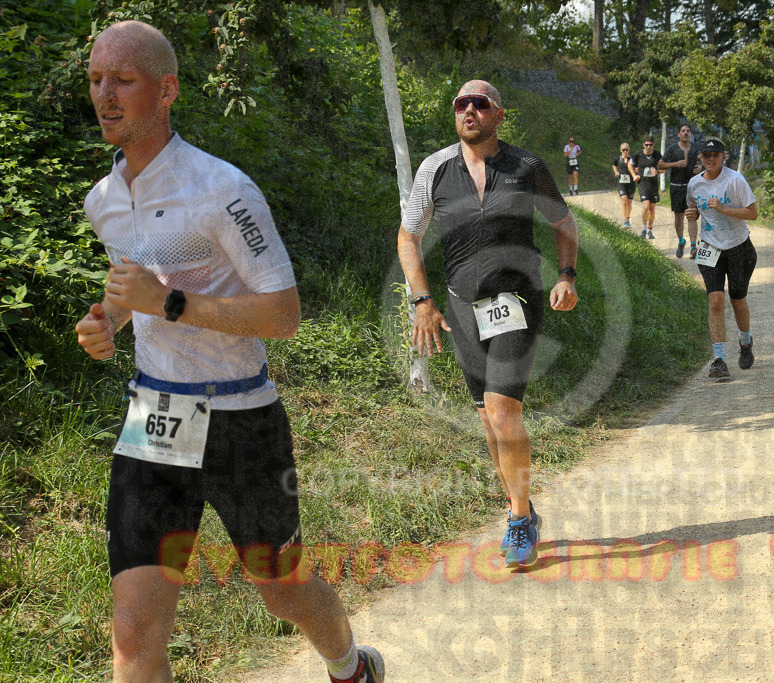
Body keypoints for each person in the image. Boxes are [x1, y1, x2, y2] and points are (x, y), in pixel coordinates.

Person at [73, 21, 382, 683]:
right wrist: (109, 320)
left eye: (122, 79)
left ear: (167, 90)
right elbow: (134, 286)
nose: (104, 94)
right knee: (133, 631)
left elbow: (284, 314)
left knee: (283, 591)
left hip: (241, 420)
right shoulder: (103, 201)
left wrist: (169, 304)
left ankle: (350, 666)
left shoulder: (223, 189)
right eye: (96, 79)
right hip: (157, 417)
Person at [397, 80, 579, 569]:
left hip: (517, 300)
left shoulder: (526, 166)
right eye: (462, 104)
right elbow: (408, 237)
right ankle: (523, 508)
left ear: (499, 115)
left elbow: (563, 223)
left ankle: (518, 521)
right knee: (487, 420)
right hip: (461, 307)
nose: (470, 110)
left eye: (480, 104)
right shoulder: (435, 169)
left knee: (502, 411)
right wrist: (422, 301)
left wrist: (566, 275)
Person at [684, 137, 758, 379]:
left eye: (715, 155)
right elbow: (693, 213)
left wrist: (723, 208)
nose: (710, 159)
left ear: (723, 157)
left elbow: (753, 213)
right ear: (701, 158)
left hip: (739, 247)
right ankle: (719, 360)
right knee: (715, 300)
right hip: (709, 247)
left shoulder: (735, 180)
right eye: (706, 155)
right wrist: (693, 236)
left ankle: (745, 342)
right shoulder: (694, 184)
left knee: (738, 300)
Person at [658, 124, 703, 258]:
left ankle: (693, 247)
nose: (685, 133)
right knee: (679, 217)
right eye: (683, 131)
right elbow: (660, 164)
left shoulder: (696, 148)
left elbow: (704, 161)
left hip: (692, 186)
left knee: (691, 215)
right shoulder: (672, 149)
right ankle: (681, 240)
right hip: (676, 186)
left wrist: (701, 166)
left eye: (688, 131)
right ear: (679, 134)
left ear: (691, 134)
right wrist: (675, 164)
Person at [628, 135, 663, 240]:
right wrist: (634, 175)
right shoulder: (638, 154)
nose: (648, 147)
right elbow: (629, 165)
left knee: (652, 208)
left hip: (653, 184)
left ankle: (650, 229)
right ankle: (643, 229)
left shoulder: (657, 155)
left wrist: (657, 172)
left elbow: (664, 168)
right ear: (643, 144)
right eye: (647, 145)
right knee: (646, 206)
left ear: (653, 145)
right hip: (643, 183)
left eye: (650, 145)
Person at [611, 142, 636, 228]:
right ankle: (625, 221)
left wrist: (635, 171)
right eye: (623, 150)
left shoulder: (632, 159)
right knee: (624, 200)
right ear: (620, 150)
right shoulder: (618, 159)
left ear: (629, 150)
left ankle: (628, 217)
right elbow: (614, 165)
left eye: (627, 150)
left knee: (629, 202)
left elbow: (637, 167)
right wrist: (616, 171)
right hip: (622, 183)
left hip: (631, 184)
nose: (625, 151)